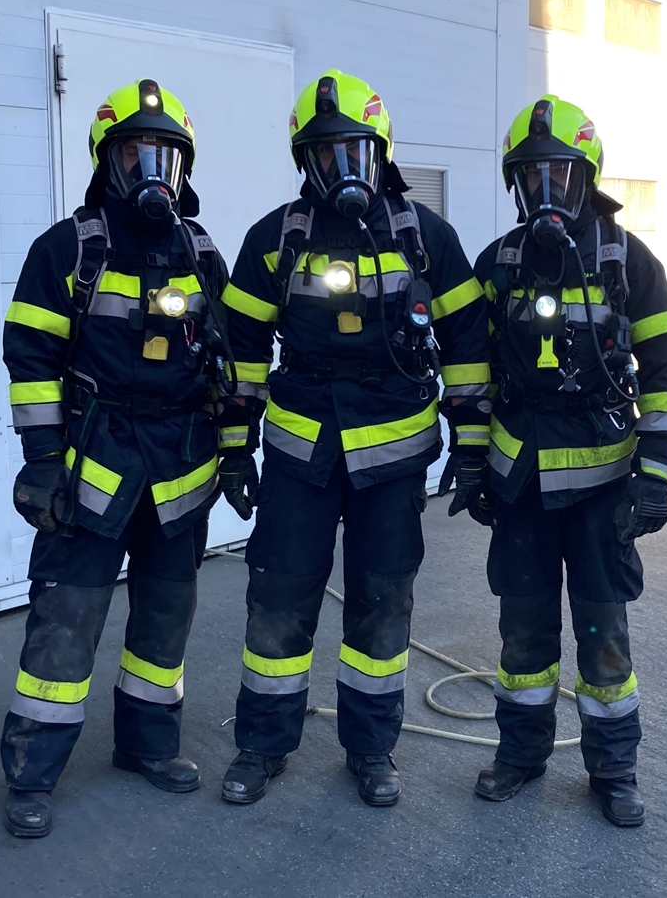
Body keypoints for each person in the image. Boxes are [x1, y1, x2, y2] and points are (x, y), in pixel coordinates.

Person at [214, 70, 491, 807]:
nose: (343, 167)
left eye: (356, 151)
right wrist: (235, 447)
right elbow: (240, 352)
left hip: (393, 463)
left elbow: (468, 343)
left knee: (381, 603)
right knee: (278, 598)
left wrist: (471, 445)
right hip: (301, 456)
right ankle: (261, 745)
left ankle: (371, 749)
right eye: (326, 153)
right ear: (305, 162)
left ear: (382, 153)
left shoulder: (425, 238)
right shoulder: (275, 238)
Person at [0, 80, 231, 838]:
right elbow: (30, 359)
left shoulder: (201, 252)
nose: (151, 168)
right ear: (108, 160)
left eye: (166, 153)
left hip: (179, 471)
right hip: (89, 473)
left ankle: (147, 746)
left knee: (165, 620)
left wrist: (234, 452)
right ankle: (31, 775)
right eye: (136, 152)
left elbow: (229, 361)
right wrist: (41, 460)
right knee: (65, 623)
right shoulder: (68, 248)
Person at [469, 96, 667, 826]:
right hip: (522, 485)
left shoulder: (629, 261)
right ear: (516, 182)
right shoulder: (498, 264)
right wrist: (471, 464)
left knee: (603, 642)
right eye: (531, 175)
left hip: (601, 489)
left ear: (586, 177)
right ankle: (520, 754)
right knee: (523, 636)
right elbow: (470, 374)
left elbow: (666, 373)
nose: (545, 189)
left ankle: (614, 772)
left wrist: (654, 476)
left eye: (559, 173)